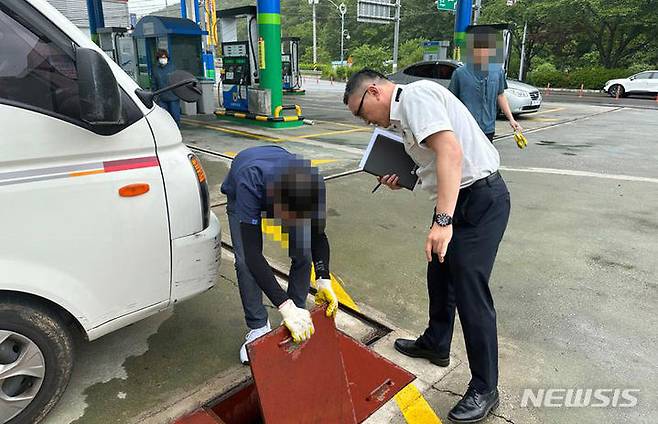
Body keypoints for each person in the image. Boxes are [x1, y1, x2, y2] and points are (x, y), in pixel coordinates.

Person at [344, 69, 510, 423]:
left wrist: (443, 222)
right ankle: (436, 343)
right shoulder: (405, 118)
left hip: (480, 199)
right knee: (440, 273)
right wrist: (401, 179)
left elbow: (450, 152)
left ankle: (485, 387)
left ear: (373, 91)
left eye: (361, 112)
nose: (365, 121)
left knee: (470, 292)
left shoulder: (416, 97)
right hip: (460, 199)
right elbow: (434, 163)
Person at [220, 145, 338, 364]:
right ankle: (258, 326)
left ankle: (298, 310)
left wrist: (323, 280)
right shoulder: (250, 183)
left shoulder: (314, 182)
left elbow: (318, 235)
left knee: (303, 250)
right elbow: (253, 253)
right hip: (242, 187)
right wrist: (284, 306)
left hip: (279, 179)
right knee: (245, 263)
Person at [448, 27, 522, 142]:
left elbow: (500, 95)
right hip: (465, 129)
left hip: (488, 129)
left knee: (486, 159)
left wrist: (511, 119)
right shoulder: (460, 73)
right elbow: (451, 101)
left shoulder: (498, 71)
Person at [151, 49, 181, 126]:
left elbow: (178, 80)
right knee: (164, 116)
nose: (163, 59)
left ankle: (176, 127)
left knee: (175, 115)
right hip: (161, 97)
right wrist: (154, 94)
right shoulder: (155, 69)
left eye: (164, 57)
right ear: (158, 59)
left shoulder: (172, 67)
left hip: (173, 96)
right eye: (161, 57)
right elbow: (154, 83)